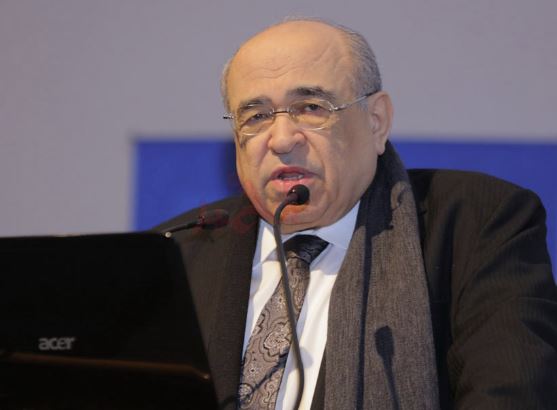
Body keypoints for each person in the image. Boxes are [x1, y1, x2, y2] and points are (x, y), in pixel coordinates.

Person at [158, 18, 557, 409]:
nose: (281, 140)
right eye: (257, 116)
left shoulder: (474, 224)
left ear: (376, 121)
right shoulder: (178, 251)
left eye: (311, 107)